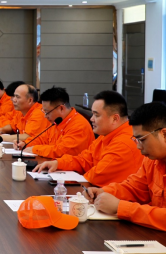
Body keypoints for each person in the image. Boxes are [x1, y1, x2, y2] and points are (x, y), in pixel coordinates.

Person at [84, 102, 166, 231]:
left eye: (142, 140)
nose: (138, 147)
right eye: (136, 140)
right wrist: (103, 192)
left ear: (164, 134)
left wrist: (120, 207)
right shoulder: (151, 160)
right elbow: (134, 188)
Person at [34, 91, 143, 187]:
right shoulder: (105, 135)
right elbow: (84, 160)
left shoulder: (124, 143)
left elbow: (96, 177)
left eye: (96, 115)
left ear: (115, 119)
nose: (91, 119)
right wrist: (58, 163)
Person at [15, 87, 95, 159]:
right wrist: (25, 143)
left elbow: (61, 151)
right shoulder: (57, 121)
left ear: (61, 108)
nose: (45, 116)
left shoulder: (79, 126)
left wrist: (35, 149)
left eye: (47, 112)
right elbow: (43, 139)